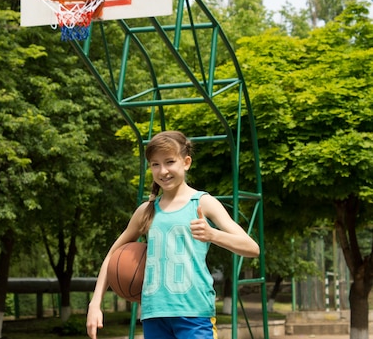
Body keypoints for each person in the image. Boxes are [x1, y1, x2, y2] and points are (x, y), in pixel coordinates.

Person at [86, 130, 260, 339]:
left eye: (170, 162)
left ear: (186, 162)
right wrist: (95, 303)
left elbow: (251, 248)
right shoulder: (146, 211)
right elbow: (112, 256)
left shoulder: (203, 203)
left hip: (194, 313)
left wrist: (212, 235)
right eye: (155, 164)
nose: (163, 170)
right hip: (154, 314)